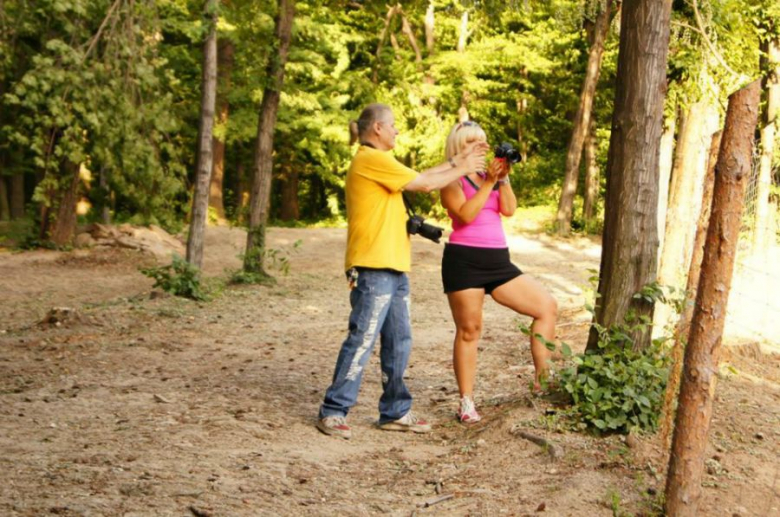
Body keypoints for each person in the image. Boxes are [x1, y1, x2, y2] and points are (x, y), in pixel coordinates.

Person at [316, 104, 488, 439]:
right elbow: (425, 184)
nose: (397, 131)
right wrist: (462, 165)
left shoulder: (383, 162)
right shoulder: (370, 158)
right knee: (363, 338)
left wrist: (459, 163)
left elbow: (426, 177)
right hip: (373, 265)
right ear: (378, 128)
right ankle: (334, 410)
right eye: (393, 126)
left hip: (393, 266)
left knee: (399, 341)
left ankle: (394, 411)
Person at [439, 121, 558, 424]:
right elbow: (464, 215)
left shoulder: (488, 175)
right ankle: (466, 402)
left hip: (498, 261)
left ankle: (542, 382)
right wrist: (489, 183)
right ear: (458, 147)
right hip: (464, 261)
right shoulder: (450, 179)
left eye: (483, 141)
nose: (481, 146)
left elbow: (509, 210)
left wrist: (502, 180)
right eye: (473, 142)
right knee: (469, 331)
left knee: (546, 307)